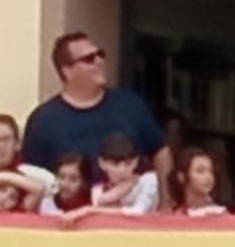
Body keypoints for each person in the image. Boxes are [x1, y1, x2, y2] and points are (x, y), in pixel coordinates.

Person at [22, 33, 167, 197]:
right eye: (89, 58)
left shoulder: (130, 104)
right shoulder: (43, 121)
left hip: (131, 215)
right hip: (69, 218)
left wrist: (166, 202)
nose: (99, 61)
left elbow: (161, 153)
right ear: (67, 70)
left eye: (101, 55)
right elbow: (32, 177)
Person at [61, 133, 160, 225]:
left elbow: (138, 212)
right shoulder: (98, 190)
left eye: (128, 163)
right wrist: (116, 192)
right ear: (102, 163)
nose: (122, 170)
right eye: (115, 164)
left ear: (136, 161)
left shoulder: (149, 180)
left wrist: (89, 210)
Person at [0, 114, 53, 214]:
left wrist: (4, 177)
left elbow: (39, 189)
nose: (1, 145)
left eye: (6, 139)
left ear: (17, 144)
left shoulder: (33, 175)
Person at [168, 147, 227, 217]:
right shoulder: (176, 217)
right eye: (200, 171)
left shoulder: (221, 213)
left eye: (211, 171)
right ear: (182, 177)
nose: (208, 177)